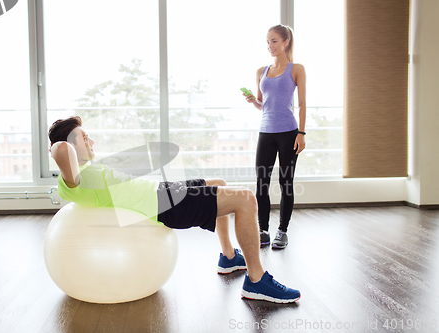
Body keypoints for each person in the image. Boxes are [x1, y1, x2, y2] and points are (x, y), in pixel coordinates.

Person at [48, 116, 301, 303]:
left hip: (162, 190)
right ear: (70, 145)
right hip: (163, 205)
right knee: (246, 199)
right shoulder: (74, 180)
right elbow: (61, 150)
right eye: (83, 137)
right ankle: (256, 280)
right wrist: (59, 143)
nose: (90, 140)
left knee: (220, 183)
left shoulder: (89, 170)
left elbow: (67, 149)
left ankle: (228, 257)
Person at [243, 24, 306, 249]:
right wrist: (254, 101)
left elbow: (302, 104)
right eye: (268, 42)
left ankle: (283, 231)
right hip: (266, 133)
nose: (270, 46)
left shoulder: (296, 68)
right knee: (262, 183)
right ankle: (263, 230)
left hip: (289, 133)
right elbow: (263, 105)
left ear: (286, 42)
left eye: (274, 41)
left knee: (286, 183)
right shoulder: (262, 71)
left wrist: (301, 133)